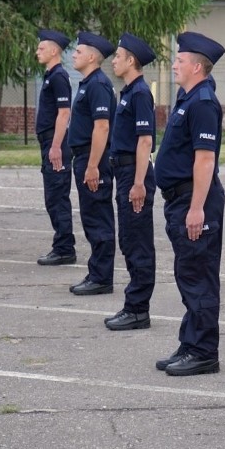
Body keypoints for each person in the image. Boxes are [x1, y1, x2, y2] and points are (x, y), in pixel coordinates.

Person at [154, 32, 225, 376]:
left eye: (180, 60)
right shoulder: (189, 98)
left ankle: (203, 351)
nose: (174, 64)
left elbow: (204, 160)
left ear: (197, 66)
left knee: (198, 276)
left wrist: (196, 208)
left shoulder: (202, 102)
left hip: (193, 200)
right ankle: (191, 342)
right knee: (188, 274)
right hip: (179, 199)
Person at [104, 33, 157, 331]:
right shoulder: (127, 91)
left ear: (131, 60)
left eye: (118, 56)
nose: (114, 61)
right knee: (128, 239)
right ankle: (134, 304)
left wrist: (139, 183)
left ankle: (138, 309)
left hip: (133, 175)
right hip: (123, 173)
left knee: (137, 243)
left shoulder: (139, 93)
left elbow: (145, 140)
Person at [67, 32, 117, 296]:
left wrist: (93, 165)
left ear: (92, 56)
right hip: (85, 156)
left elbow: (102, 126)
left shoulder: (97, 84)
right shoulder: (88, 83)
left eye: (78, 51)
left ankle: (102, 277)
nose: (74, 55)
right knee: (91, 216)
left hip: (92, 157)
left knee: (98, 218)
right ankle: (97, 272)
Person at [34, 29, 75, 266]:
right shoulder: (51, 75)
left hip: (54, 142)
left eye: (41, 48)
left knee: (57, 196)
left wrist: (56, 145)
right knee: (52, 196)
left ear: (54, 51)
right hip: (48, 141)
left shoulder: (58, 76)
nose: (37, 52)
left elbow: (64, 113)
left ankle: (64, 248)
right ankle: (62, 245)